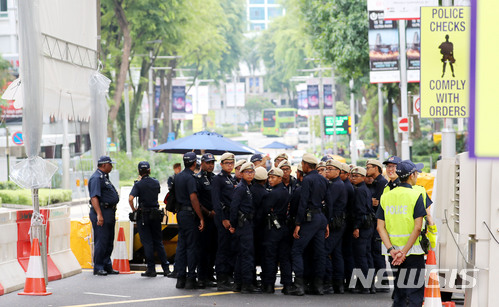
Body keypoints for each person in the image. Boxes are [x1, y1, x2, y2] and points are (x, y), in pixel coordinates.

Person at [377, 160, 427, 306]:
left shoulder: (386, 196)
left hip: (392, 253)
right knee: (414, 289)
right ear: (412, 175)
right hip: (413, 251)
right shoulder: (415, 195)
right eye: (416, 173)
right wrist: (404, 252)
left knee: (400, 289)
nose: (417, 175)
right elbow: (418, 227)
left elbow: (380, 227)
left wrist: (392, 250)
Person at [289, 153, 331, 296]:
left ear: (307, 165)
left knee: (297, 250)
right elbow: (328, 203)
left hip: (309, 219)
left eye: (302, 164)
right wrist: (326, 222)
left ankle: (299, 286)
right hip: (320, 218)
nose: (301, 166)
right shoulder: (323, 180)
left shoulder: (307, 180)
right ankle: (318, 286)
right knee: (319, 253)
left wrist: (298, 223)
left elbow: (303, 202)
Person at [129, 161, 169, 277]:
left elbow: (131, 198)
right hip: (155, 215)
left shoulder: (138, 184)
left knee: (147, 242)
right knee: (158, 242)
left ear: (139, 171)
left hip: (144, 216)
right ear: (149, 170)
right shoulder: (156, 182)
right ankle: (166, 268)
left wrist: (134, 210)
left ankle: (151, 269)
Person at [229, 162, 261, 293]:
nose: (250, 174)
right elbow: (233, 207)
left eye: (252, 172)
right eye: (247, 172)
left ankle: (238, 283)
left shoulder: (248, 187)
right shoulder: (241, 188)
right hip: (243, 224)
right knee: (247, 254)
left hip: (247, 223)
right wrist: (233, 224)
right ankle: (247, 284)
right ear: (241, 174)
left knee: (242, 255)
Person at [174, 152, 205, 289]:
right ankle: (191, 278)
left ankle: (180, 278)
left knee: (181, 246)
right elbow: (193, 198)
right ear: (194, 163)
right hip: (189, 214)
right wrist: (201, 217)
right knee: (192, 246)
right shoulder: (191, 178)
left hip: (180, 213)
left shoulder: (178, 176)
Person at [261, 167, 292, 294]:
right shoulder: (286, 191)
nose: (270, 180)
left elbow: (265, 209)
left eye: (273, 177)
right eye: (269, 177)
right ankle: (287, 285)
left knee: (270, 257)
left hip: (273, 227)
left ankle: (269, 285)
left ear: (280, 178)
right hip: (283, 226)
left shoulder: (273, 193)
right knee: (284, 257)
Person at [88, 156, 120, 276]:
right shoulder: (96, 178)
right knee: (101, 240)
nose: (111, 167)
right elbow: (94, 197)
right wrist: (99, 215)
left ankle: (107, 265)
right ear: (104, 165)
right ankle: (98, 266)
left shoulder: (104, 177)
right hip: (101, 211)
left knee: (109, 240)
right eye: (110, 164)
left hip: (109, 212)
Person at [211, 152, 237, 291]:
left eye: (232, 163)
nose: (230, 166)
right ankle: (221, 278)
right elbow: (216, 201)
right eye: (227, 163)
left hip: (230, 216)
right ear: (221, 164)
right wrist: (223, 219)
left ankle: (228, 276)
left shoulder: (231, 179)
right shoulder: (218, 179)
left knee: (230, 248)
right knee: (222, 248)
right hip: (223, 217)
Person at [350, 166, 375, 294]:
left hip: (363, 226)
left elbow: (360, 211)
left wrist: (356, 227)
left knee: (361, 256)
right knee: (367, 255)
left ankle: (364, 285)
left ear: (363, 178)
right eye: (352, 176)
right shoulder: (365, 189)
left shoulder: (359, 190)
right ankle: (371, 285)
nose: (353, 178)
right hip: (368, 225)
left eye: (356, 176)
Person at [324, 159, 347, 294]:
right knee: (336, 253)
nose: (327, 171)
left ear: (338, 171)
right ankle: (338, 284)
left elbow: (329, 205)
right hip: (336, 222)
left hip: (335, 223)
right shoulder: (334, 183)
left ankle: (330, 282)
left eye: (330, 169)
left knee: (326, 251)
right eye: (326, 168)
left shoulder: (337, 185)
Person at [366, 159, 389, 292]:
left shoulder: (381, 183)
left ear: (376, 168)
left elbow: (379, 202)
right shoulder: (375, 182)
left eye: (369, 167)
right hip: (375, 221)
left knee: (377, 252)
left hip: (378, 222)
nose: (367, 169)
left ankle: (383, 281)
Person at [196, 153, 217, 288]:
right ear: (202, 163)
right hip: (205, 217)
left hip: (215, 218)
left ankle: (210, 274)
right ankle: (202, 277)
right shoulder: (198, 179)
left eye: (212, 163)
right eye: (208, 163)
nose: (210, 165)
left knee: (213, 248)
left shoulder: (215, 178)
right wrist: (207, 213)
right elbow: (196, 200)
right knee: (203, 249)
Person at [250, 166, 269, 282]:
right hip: (261, 228)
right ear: (265, 179)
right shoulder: (265, 193)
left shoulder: (249, 190)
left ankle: (251, 278)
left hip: (250, 225)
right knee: (263, 253)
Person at [340, 162, 356, 291]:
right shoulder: (346, 185)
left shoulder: (345, 186)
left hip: (347, 223)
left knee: (347, 253)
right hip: (348, 222)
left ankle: (349, 281)